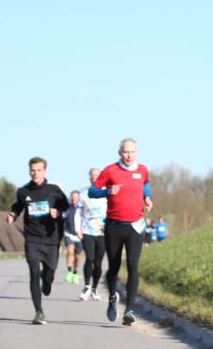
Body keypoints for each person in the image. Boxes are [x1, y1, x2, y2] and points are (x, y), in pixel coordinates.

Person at [89, 139, 153, 325]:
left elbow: (145, 185)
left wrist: (147, 198)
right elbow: (93, 191)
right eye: (125, 152)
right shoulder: (110, 170)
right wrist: (107, 191)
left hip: (135, 226)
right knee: (114, 266)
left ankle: (129, 309)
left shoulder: (142, 170)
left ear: (137, 152)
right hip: (114, 225)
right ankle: (111, 297)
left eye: (132, 152)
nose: (129, 155)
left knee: (133, 265)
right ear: (119, 152)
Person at [7, 157, 69, 325]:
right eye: (33, 170)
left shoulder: (54, 190)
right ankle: (38, 312)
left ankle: (47, 281)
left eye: (39, 170)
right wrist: (13, 215)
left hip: (51, 239)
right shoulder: (23, 191)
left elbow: (66, 206)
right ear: (29, 171)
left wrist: (57, 211)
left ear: (45, 171)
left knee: (50, 272)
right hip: (32, 239)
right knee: (34, 273)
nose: (35, 173)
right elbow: (18, 206)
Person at [78, 168, 108, 302]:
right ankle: (86, 286)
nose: (94, 177)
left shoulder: (106, 193)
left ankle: (95, 288)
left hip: (102, 232)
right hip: (87, 231)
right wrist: (78, 229)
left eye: (97, 175)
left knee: (98, 262)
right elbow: (78, 214)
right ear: (89, 177)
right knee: (89, 258)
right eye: (92, 175)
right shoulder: (84, 194)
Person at [63, 190, 84, 284]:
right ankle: (69, 271)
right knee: (70, 251)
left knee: (78, 256)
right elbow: (62, 218)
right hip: (68, 234)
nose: (73, 199)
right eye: (72, 197)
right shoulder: (67, 208)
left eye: (75, 197)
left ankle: (75, 273)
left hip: (79, 236)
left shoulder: (82, 209)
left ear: (79, 198)